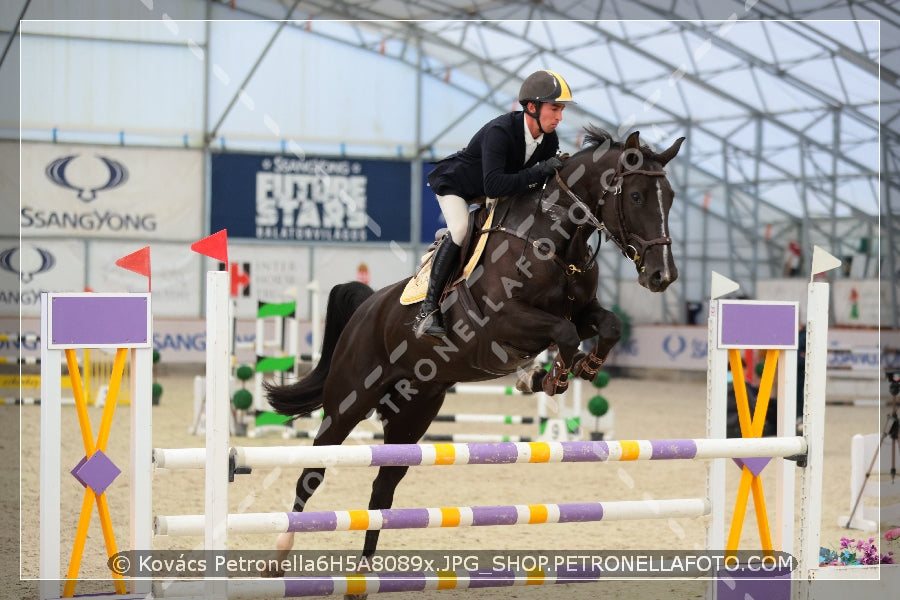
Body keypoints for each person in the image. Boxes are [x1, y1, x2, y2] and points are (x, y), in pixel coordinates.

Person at [414, 69, 576, 339]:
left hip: (495, 190)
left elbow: (533, 184)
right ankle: (428, 310)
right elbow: (495, 185)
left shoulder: (549, 140)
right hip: (458, 186)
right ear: (532, 107)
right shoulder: (500, 131)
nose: (559, 117)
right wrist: (540, 172)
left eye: (562, 110)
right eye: (555, 109)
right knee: (460, 229)